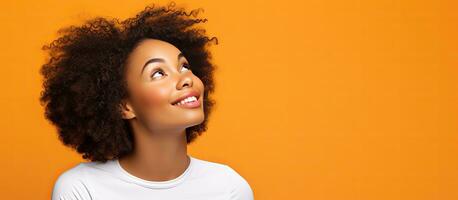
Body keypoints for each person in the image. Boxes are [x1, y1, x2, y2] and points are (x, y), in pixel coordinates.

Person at [39, 1, 254, 199]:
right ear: (124, 105)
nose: (186, 78)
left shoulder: (229, 188)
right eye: (158, 73)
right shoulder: (81, 188)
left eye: (184, 66)